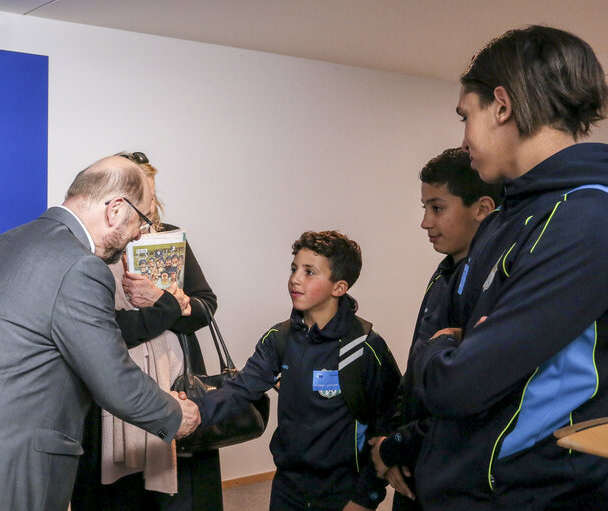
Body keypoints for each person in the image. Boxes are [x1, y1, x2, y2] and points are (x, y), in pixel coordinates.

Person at [0, 156, 200, 511]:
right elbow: (114, 379)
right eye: (141, 220)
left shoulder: (8, 240)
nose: (138, 234)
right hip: (0, 472)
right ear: (115, 210)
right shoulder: (80, 266)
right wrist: (175, 413)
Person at [410, 26, 608, 510]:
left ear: (502, 105)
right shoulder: (506, 216)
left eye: (466, 116)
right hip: (465, 486)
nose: (464, 137)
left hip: (528, 495)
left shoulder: (587, 216)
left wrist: (438, 352)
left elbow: (461, 383)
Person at [194, 231, 400, 511]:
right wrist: (192, 411)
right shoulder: (278, 338)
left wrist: (367, 496)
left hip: (343, 492)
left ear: (338, 287)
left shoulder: (365, 346)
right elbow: (240, 390)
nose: (295, 279)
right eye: (294, 269)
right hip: (287, 488)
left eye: (309, 272)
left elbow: (389, 420)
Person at [72, 152, 223, 511]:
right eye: (142, 196)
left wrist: (161, 301)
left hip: (176, 383)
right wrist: (168, 307)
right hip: (112, 394)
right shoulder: (90, 251)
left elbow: (205, 307)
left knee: (178, 498)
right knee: (119, 498)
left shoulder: (170, 239)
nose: (150, 205)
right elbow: (104, 331)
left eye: (152, 195)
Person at [368, 148, 500, 510]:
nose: (425, 222)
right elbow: (416, 369)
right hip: (416, 463)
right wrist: (388, 438)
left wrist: (397, 446)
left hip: (453, 475)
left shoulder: (491, 287)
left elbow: (467, 400)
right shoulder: (443, 275)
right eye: (424, 208)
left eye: (437, 208)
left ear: (482, 209)